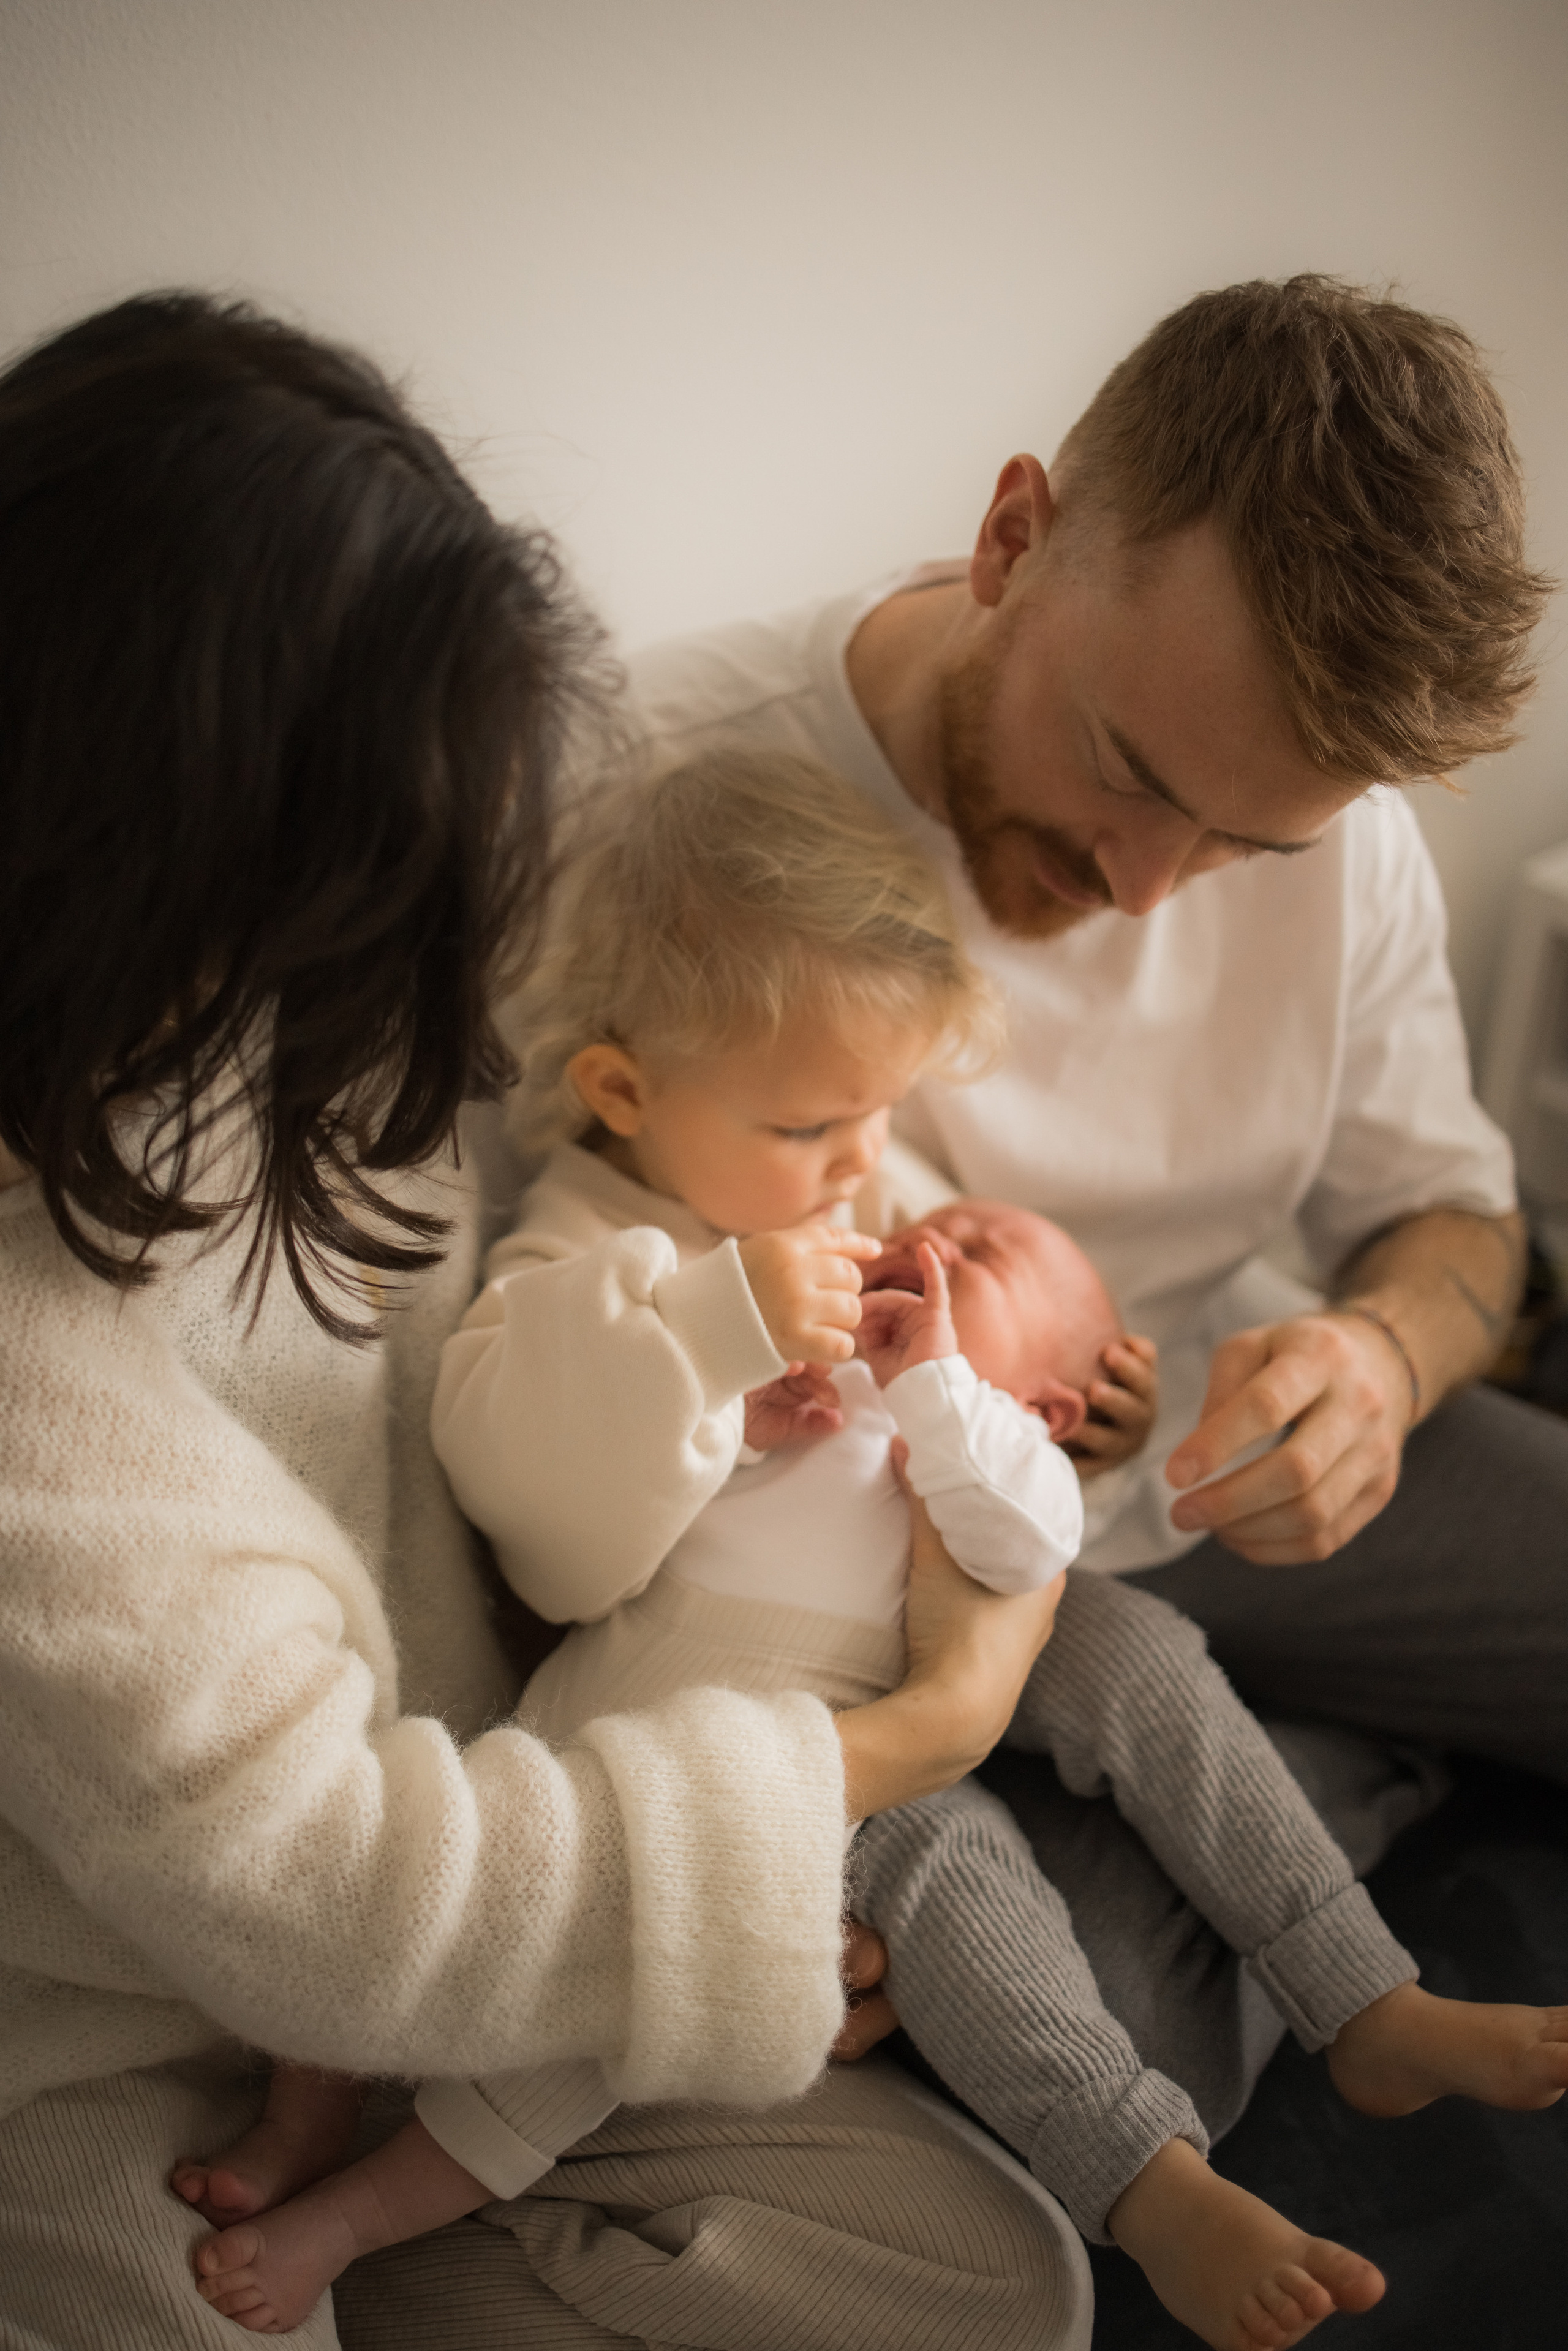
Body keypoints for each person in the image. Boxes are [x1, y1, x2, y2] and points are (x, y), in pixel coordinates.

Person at [0, 295, 1076, 2351]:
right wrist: (886, 1754)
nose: (427, 932)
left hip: (504, 1824)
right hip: (148, 2037)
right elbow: (330, 1902)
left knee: (1003, 2280)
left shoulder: (299, 1039)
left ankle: (450, 2224)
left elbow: (707, 1165)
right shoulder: (39, 1404)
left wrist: (951, 1346)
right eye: (385, 874)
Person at [187, 752, 1568, 2351]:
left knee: (1143, 1660)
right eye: (814, 1123)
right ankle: (1150, 2173)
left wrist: (1066, 1428)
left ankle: (1364, 1995)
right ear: (625, 1094)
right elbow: (544, 1514)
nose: (865, 1169)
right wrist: (720, 1335)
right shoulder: (594, 1247)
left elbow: (991, 1403)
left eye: (883, 1116)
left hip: (932, 1637)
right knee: (958, 1908)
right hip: (771, 1756)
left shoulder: (835, 1189)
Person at [617, 273, 1568, 2139]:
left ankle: (1281, 1775)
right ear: (1012, 540)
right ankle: (1320, 1784)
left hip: (1217, 1471)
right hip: (872, 1594)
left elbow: (1462, 1231)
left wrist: (1381, 1363)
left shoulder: (1345, 840)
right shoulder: (665, 783)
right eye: (1131, 772)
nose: (1146, 891)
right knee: (1072, 2046)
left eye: (1246, 845)